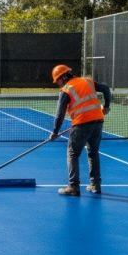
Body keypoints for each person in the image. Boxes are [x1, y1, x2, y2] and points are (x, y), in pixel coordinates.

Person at [48, 64, 112, 196]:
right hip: (98, 121)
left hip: (82, 124)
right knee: (93, 153)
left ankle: (73, 186)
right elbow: (105, 89)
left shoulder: (66, 89)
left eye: (58, 81)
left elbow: (60, 114)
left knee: (72, 154)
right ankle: (95, 185)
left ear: (63, 77)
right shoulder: (87, 81)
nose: (58, 84)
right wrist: (106, 106)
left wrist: (55, 132)